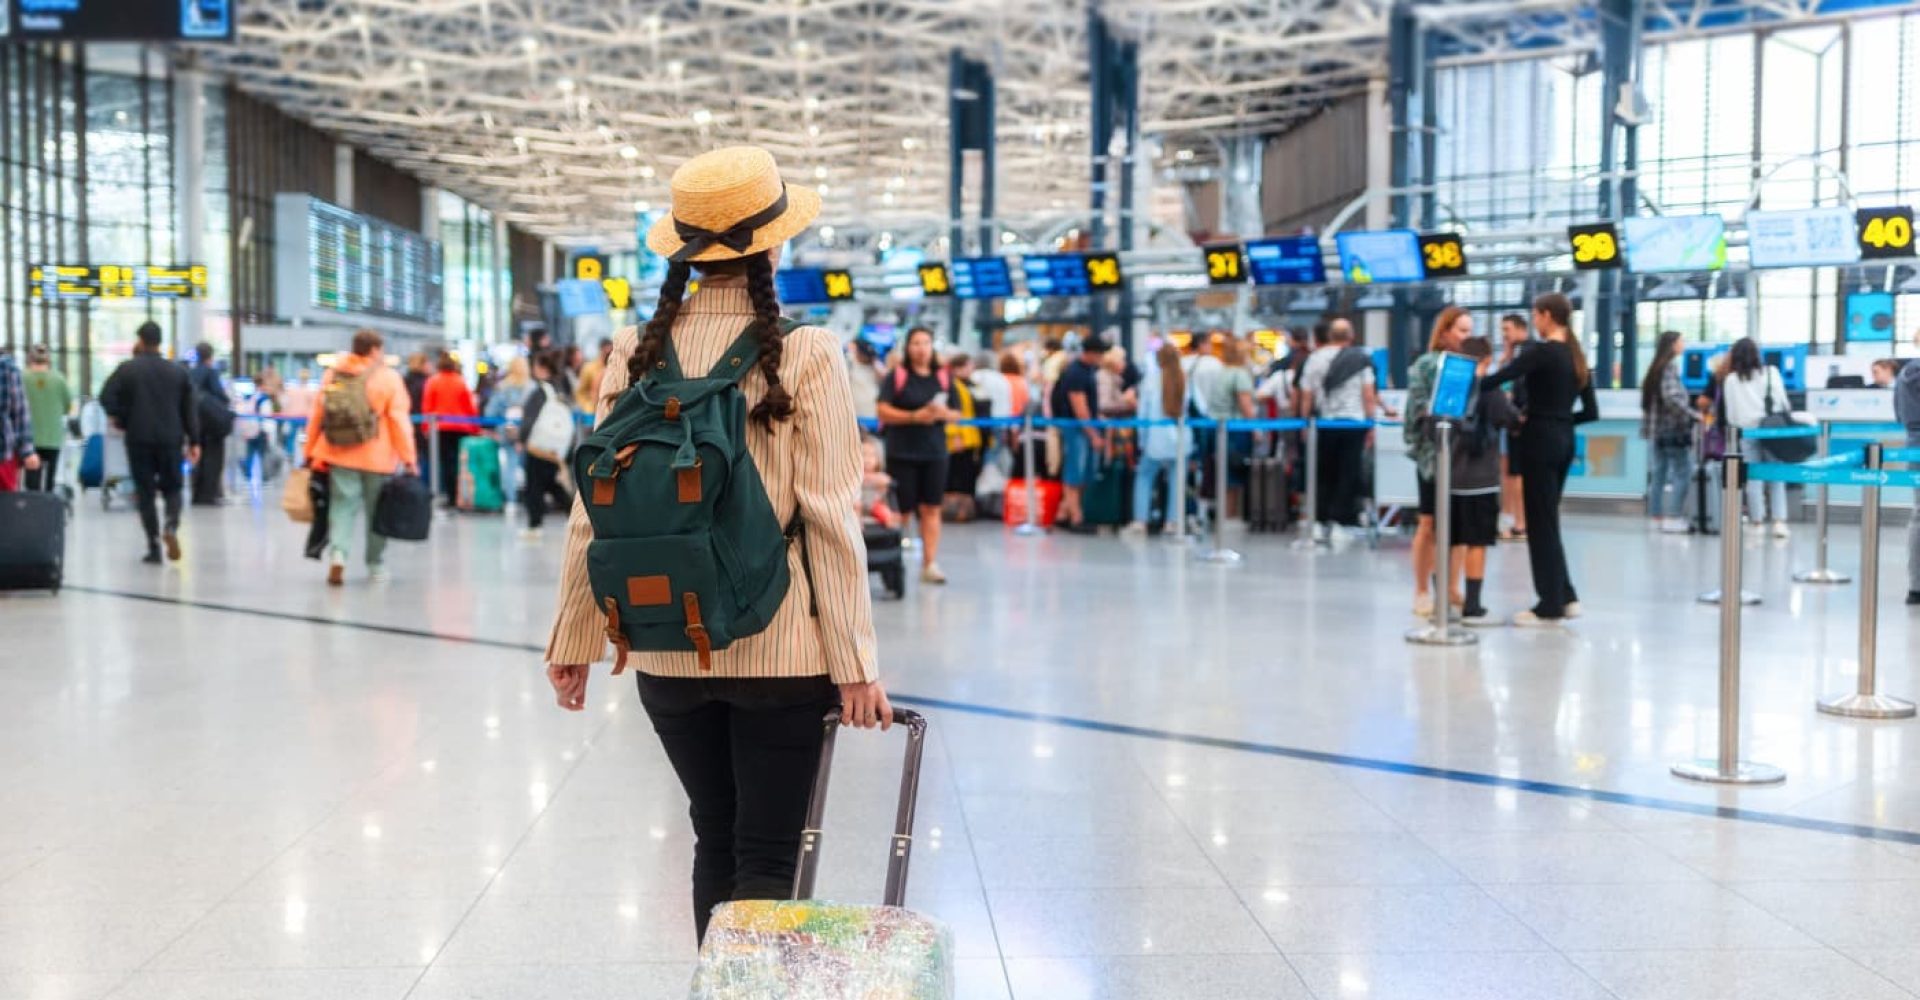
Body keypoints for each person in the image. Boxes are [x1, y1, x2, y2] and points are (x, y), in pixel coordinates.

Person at [544, 146, 886, 946]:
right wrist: (857, 661)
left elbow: (593, 510)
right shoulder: (805, 350)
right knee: (770, 854)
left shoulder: (633, 349)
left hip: (664, 646)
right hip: (781, 646)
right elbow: (832, 514)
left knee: (715, 840)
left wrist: (575, 637)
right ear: (772, 244)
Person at [1482, 293, 1599, 625]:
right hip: (1564, 442)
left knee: (1540, 524)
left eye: (1535, 314)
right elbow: (1591, 412)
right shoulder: (1577, 357)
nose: (1534, 320)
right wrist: (1560, 421)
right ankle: (1566, 595)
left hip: (1539, 442)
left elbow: (1497, 379)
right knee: (1548, 520)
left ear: (1547, 316)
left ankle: (1549, 604)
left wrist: (1473, 380)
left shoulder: (1542, 352)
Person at [304, 329, 418, 586]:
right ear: (375, 350)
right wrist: (408, 457)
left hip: (338, 453)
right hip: (377, 457)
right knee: (377, 512)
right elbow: (399, 420)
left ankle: (338, 555)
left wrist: (310, 451)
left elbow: (318, 415)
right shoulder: (388, 378)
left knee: (342, 508)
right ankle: (375, 564)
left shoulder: (334, 373)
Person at [100, 322, 199, 563]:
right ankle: (171, 526)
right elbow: (189, 409)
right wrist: (194, 440)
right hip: (171, 439)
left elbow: (106, 397)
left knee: (145, 493)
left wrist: (123, 418)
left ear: (141, 341)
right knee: (173, 487)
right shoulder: (177, 372)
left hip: (138, 439)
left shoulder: (127, 370)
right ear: (159, 342)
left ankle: (154, 546)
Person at [1444, 336, 1521, 625]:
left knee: (1450, 541)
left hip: (1450, 478)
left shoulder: (1450, 389)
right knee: (1476, 542)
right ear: (1487, 360)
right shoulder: (1492, 391)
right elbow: (1510, 421)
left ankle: (1445, 599)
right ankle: (1473, 606)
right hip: (1482, 479)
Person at [1405, 306, 1474, 616]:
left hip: (1463, 456)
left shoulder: (1471, 366)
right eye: (1461, 330)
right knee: (1429, 521)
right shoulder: (1424, 366)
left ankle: (1451, 586)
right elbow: (1416, 413)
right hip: (1433, 457)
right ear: (1445, 331)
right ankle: (1421, 589)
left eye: (1469, 331)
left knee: (1459, 525)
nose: (1466, 337)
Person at [877, 326, 958, 581]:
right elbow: (882, 410)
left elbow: (957, 412)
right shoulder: (897, 376)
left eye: (926, 343)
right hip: (902, 452)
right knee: (902, 511)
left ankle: (930, 563)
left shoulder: (943, 377)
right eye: (916, 343)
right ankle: (893, 564)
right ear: (907, 347)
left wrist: (941, 414)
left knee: (932, 508)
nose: (921, 348)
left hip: (934, 452)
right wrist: (914, 416)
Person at [1297, 316, 1378, 537]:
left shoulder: (1314, 359)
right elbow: (1368, 395)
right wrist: (1371, 423)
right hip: (1354, 423)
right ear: (1351, 336)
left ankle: (1321, 519)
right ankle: (1343, 519)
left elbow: (1307, 395)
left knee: (1323, 472)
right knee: (1348, 472)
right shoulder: (1360, 359)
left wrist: (1305, 423)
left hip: (1324, 423)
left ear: (1330, 336)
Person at [1719, 337, 1793, 538]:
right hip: (1772, 431)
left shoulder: (1731, 380)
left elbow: (1731, 415)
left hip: (1747, 432)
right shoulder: (1771, 373)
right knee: (1776, 476)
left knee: (1753, 478)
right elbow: (1782, 402)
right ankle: (1779, 522)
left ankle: (1757, 521)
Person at [1123, 341, 1191, 537]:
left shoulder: (1151, 381)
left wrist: (1142, 441)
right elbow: (1198, 407)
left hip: (1155, 439)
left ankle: (1140, 521)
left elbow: (1142, 414)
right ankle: (1173, 521)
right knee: (1177, 480)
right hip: (1180, 439)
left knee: (1144, 477)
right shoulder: (1185, 380)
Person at [1050, 335, 1109, 532]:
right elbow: (1079, 407)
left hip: (1081, 427)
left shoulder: (1086, 370)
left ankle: (1064, 512)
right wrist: (1094, 435)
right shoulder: (1076, 373)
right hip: (1076, 429)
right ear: (1092, 353)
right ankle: (1076, 517)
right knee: (1075, 473)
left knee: (1082, 473)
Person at [1641, 330, 1698, 534]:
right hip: (1672, 430)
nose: (1684, 344)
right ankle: (1673, 517)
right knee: (1683, 472)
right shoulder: (1668, 367)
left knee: (1659, 473)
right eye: (1682, 341)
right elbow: (1672, 398)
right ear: (1672, 344)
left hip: (1657, 431)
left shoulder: (1655, 368)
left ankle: (1656, 516)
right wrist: (1693, 414)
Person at [516, 351, 574, 538]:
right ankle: (575, 514)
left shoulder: (539, 392)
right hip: (556, 448)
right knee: (552, 483)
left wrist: (522, 439)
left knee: (534, 486)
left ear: (541, 368)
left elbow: (529, 419)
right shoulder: (559, 389)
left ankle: (535, 524)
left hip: (538, 447)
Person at [1203, 337, 1256, 519]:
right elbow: (1246, 406)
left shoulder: (1221, 372)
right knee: (1233, 475)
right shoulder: (1240, 374)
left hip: (1215, 427)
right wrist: (1256, 429)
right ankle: (1230, 515)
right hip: (1235, 430)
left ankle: (1222, 514)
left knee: (1220, 472)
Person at [421, 351, 480, 504]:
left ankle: (448, 495)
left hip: (440, 428)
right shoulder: (460, 381)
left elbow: (428, 407)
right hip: (461, 428)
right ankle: (459, 496)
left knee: (444, 463)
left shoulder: (433, 381)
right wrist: (475, 428)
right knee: (459, 463)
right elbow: (469, 407)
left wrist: (426, 427)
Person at [485, 356, 536, 506]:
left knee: (510, 464)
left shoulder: (502, 387)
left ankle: (511, 500)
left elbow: (490, 412)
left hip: (507, 430)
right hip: (528, 431)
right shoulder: (532, 387)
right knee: (529, 465)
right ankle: (531, 499)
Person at [1497, 314, 1530, 539]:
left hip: (1520, 422)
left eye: (1507, 329)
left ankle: (1521, 521)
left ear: (1520, 328)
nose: (1504, 335)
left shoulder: (1529, 354)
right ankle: (1511, 516)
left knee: (1518, 474)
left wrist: (1521, 416)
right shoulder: (1514, 355)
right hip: (1510, 421)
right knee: (1509, 473)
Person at [187, 342, 232, 506]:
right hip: (212, 425)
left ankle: (197, 493)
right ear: (210, 356)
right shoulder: (211, 373)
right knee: (213, 459)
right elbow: (220, 395)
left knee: (197, 457)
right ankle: (209, 494)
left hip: (195, 423)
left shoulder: (190, 373)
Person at [21, 345, 70, 492]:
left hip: (29, 437)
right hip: (53, 437)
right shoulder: (59, 379)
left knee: (32, 479)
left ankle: (32, 507)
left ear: (30, 358)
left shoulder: (23, 377)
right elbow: (67, 406)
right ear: (48, 359)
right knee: (50, 478)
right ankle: (48, 505)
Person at [1895, 347, 1920, 605]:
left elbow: (1899, 413)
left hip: (1914, 446)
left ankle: (1916, 585)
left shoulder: (1905, 372)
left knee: (1918, 514)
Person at [0, 346, 40, 492]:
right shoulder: (7, 369)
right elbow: (19, 412)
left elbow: (19, 412)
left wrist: (27, 450)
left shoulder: (6, 369)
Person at [846, 338, 881, 423]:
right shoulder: (850, 363)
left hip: (873, 411)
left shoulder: (875, 365)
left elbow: (884, 377)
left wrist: (874, 361)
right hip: (855, 412)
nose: (865, 357)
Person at [574, 337, 613, 412]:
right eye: (606, 352)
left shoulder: (615, 367)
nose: (609, 354)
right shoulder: (588, 368)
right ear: (601, 350)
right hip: (593, 410)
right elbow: (580, 392)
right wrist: (587, 406)